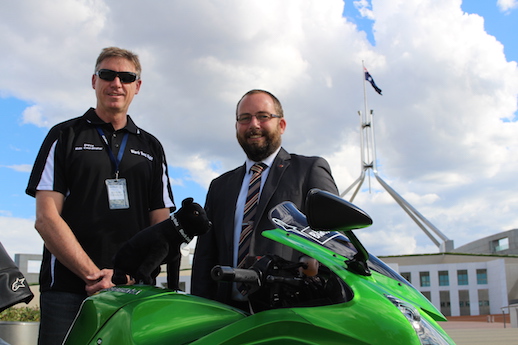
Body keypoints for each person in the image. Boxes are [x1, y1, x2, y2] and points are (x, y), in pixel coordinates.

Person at [25, 47, 175, 345]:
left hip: (130, 292)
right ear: (94, 81)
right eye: (107, 74)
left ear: (137, 86)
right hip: (68, 292)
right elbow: (45, 218)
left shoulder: (151, 147)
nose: (116, 83)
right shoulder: (64, 135)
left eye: (126, 76)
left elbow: (162, 226)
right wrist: (94, 276)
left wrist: (125, 277)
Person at [191, 89, 338, 309]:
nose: (253, 124)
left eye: (263, 116)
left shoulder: (309, 170)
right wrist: (200, 311)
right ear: (236, 127)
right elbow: (205, 257)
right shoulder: (220, 186)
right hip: (226, 316)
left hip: (289, 313)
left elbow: (335, 239)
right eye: (244, 118)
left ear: (282, 125)